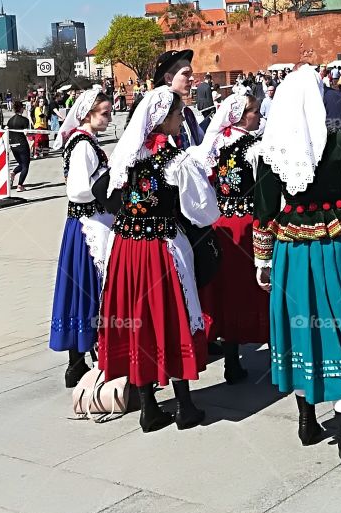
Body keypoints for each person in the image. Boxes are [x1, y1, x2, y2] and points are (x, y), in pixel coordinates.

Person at [253, 65, 341, 471]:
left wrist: (262, 259)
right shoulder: (339, 141)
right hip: (339, 247)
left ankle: (306, 422)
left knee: (303, 329)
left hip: (293, 252)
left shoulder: (271, 149)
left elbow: (264, 210)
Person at [100, 87, 219, 429]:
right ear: (164, 118)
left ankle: (149, 408)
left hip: (125, 248)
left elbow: (108, 195)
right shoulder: (176, 161)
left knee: (136, 317)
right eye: (179, 115)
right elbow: (203, 211)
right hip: (161, 249)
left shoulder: (125, 155)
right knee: (170, 316)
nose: (182, 120)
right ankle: (184, 406)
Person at [195, 90, 270, 384]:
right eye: (255, 112)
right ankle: (272, 348)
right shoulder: (255, 147)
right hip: (249, 224)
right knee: (257, 287)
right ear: (241, 115)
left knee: (226, 291)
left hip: (221, 223)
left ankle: (231, 359)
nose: (259, 117)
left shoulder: (215, 143)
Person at [49, 88, 115, 387]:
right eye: (104, 113)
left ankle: (78, 362)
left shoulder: (87, 141)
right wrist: (109, 182)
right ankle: (82, 360)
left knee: (84, 289)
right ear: (88, 114)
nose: (109, 117)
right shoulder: (82, 145)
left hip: (88, 222)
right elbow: (77, 189)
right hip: (88, 224)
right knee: (90, 288)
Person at [152, 49, 203, 148]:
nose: (191, 78)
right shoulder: (155, 116)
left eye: (191, 74)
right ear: (168, 78)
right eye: (186, 74)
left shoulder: (187, 112)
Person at [7, 100, 32, 191]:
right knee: (25, 165)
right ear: (21, 109)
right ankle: (20, 185)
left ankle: (13, 173)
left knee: (21, 164)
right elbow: (26, 133)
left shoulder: (10, 120)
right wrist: (33, 135)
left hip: (13, 145)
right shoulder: (25, 120)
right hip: (22, 144)